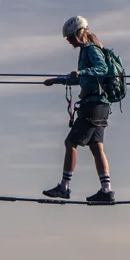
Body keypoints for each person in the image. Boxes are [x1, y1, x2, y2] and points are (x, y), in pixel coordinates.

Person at [42, 15, 114, 204]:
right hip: (100, 105)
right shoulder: (86, 51)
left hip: (93, 105)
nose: (70, 41)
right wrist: (57, 80)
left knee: (70, 142)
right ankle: (106, 190)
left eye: (71, 37)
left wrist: (82, 72)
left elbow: (102, 69)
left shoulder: (90, 50)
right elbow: (79, 78)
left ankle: (64, 187)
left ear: (79, 33)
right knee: (96, 147)